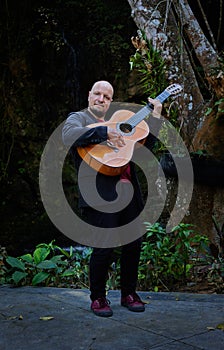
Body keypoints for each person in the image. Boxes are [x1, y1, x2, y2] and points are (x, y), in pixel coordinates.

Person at [62, 80, 162, 317]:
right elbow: (68, 136)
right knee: (103, 248)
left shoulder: (120, 122)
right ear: (89, 95)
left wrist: (155, 117)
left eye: (106, 97)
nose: (101, 99)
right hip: (99, 196)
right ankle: (98, 298)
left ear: (110, 101)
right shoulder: (78, 119)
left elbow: (146, 146)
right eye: (97, 94)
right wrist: (104, 131)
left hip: (129, 193)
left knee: (133, 245)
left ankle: (129, 293)